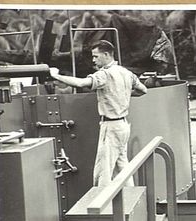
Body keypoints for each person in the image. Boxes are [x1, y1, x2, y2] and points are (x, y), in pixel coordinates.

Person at [49, 40, 148, 187]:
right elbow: (143, 90)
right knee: (123, 168)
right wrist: (121, 94)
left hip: (111, 126)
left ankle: (102, 207)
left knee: (103, 171)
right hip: (123, 126)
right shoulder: (126, 72)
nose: (93, 60)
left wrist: (56, 76)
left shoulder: (104, 75)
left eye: (96, 56)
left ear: (106, 55)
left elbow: (80, 83)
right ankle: (131, 200)